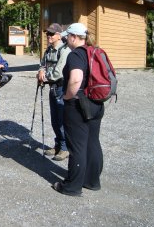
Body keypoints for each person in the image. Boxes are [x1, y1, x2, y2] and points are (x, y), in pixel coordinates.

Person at [52, 22, 105, 196]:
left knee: (77, 146)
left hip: (78, 104)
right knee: (92, 142)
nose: (66, 39)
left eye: (68, 37)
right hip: (96, 103)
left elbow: (75, 80)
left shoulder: (76, 55)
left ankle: (72, 187)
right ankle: (92, 181)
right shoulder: (94, 51)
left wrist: (67, 96)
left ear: (75, 37)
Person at [37, 23, 71, 161]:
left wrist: (45, 77)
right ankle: (57, 144)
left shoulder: (65, 50)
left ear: (59, 35)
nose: (48, 36)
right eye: (47, 34)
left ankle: (64, 148)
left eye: (51, 34)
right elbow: (42, 64)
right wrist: (40, 71)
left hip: (61, 87)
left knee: (62, 119)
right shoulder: (49, 50)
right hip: (52, 88)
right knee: (54, 119)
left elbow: (59, 72)